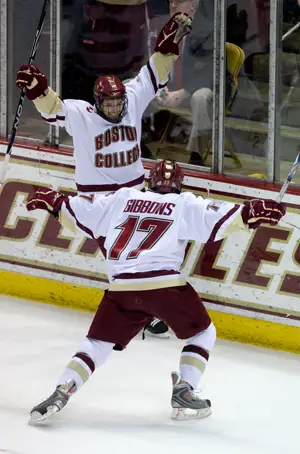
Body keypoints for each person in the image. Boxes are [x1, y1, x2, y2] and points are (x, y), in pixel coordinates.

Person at [25, 159, 286, 424]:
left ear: (150, 182)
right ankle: (185, 389)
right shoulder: (184, 203)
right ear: (179, 184)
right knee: (203, 333)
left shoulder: (122, 198)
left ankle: (62, 389)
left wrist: (56, 203)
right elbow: (223, 218)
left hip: (121, 287)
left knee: (96, 344)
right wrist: (250, 213)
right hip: (164, 286)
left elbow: (78, 210)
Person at [16, 12, 192, 338]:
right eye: (108, 104)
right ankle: (144, 309)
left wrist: (168, 47)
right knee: (123, 258)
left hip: (136, 195)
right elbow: (54, 108)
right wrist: (39, 90)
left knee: (147, 251)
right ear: (96, 103)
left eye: (117, 102)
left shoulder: (132, 97)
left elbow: (154, 70)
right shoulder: (83, 115)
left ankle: (148, 309)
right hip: (99, 203)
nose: (114, 108)